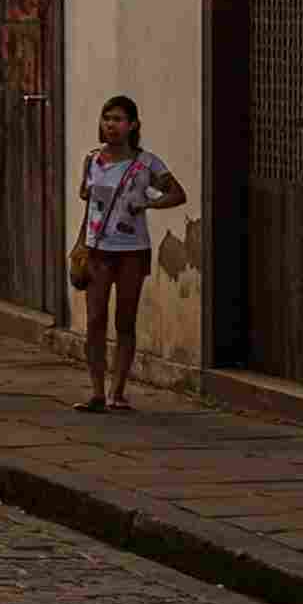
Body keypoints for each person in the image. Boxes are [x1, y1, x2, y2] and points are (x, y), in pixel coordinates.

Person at [76, 94, 187, 412]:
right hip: (97, 250)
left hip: (132, 251)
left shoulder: (147, 163)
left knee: (125, 320)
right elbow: (89, 208)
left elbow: (177, 194)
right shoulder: (92, 161)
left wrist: (149, 202)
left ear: (133, 125)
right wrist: (80, 244)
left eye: (119, 120)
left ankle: (118, 391)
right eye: (106, 118)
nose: (111, 125)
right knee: (95, 320)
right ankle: (97, 391)